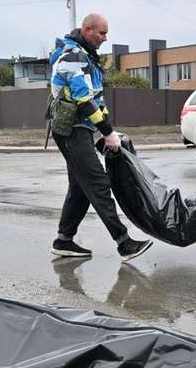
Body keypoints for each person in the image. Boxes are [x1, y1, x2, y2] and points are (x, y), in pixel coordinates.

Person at [48, 13, 153, 261]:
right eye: (102, 33)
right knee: (97, 183)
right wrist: (106, 132)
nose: (106, 38)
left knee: (80, 188)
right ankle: (124, 243)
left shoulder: (88, 59)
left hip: (80, 128)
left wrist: (109, 131)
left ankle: (63, 241)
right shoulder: (73, 58)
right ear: (87, 30)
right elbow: (83, 100)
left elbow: (97, 101)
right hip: (70, 131)